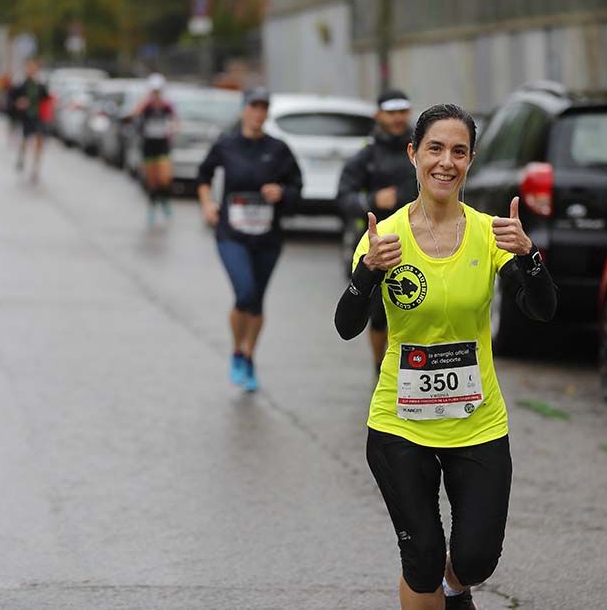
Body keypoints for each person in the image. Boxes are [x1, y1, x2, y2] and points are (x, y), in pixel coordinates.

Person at [334, 104, 557, 610]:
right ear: (413, 154)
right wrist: (367, 272)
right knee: (424, 561)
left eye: (459, 151)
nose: (445, 162)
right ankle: (440, 585)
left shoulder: (489, 233)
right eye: (434, 148)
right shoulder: (384, 237)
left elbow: (542, 310)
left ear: (471, 161)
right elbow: (347, 326)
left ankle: (458, 591)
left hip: (477, 422)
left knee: (476, 559)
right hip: (401, 424)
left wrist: (530, 257)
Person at [196, 87, 302, 391]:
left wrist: (282, 193)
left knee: (256, 300)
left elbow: (297, 186)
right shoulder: (227, 145)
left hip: (268, 236)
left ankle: (249, 355)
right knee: (244, 292)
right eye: (253, 107)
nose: (258, 113)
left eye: (263, 108)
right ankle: (236, 349)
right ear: (243, 110)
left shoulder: (279, 149)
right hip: (232, 234)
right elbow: (203, 176)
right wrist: (207, 204)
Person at [337, 88, 417, 376]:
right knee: (379, 315)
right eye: (391, 112)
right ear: (378, 115)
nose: (397, 118)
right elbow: (343, 199)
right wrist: (372, 201)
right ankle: (380, 369)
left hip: (421, 239)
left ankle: (411, 370)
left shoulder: (420, 150)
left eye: (402, 112)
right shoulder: (366, 156)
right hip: (379, 244)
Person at [133, 73, 176, 225]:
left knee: (164, 177)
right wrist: (146, 99)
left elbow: (175, 120)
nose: (156, 94)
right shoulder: (146, 106)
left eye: (158, 91)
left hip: (163, 145)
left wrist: (173, 131)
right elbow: (135, 114)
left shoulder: (167, 106)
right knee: (152, 181)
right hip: (149, 145)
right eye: (154, 91)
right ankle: (152, 208)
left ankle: (164, 201)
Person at [11, 59, 50, 182]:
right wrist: (19, 103)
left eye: (33, 68)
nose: (31, 70)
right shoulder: (21, 85)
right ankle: (21, 157)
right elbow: (12, 99)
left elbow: (47, 98)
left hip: (38, 117)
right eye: (29, 68)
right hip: (26, 117)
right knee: (25, 139)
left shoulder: (40, 85)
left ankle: (35, 168)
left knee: (39, 141)